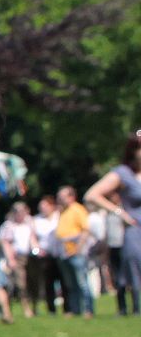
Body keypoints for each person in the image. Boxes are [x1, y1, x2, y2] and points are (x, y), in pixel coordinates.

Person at [85, 133, 141, 317]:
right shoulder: (123, 173)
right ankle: (133, 309)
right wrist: (119, 212)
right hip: (135, 229)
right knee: (134, 269)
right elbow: (92, 195)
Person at [53, 185, 94, 317]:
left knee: (82, 283)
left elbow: (85, 230)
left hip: (76, 253)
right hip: (64, 253)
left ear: (71, 197)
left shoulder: (77, 209)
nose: (59, 199)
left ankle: (88, 310)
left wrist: (77, 249)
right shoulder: (62, 211)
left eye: (62, 196)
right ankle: (75, 310)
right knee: (70, 285)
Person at [0, 200, 37, 318]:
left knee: (32, 282)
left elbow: (32, 238)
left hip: (29, 256)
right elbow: (5, 243)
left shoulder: (28, 223)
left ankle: (33, 307)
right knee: (20, 284)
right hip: (16, 258)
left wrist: (36, 249)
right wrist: (10, 259)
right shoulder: (9, 226)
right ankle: (22, 308)